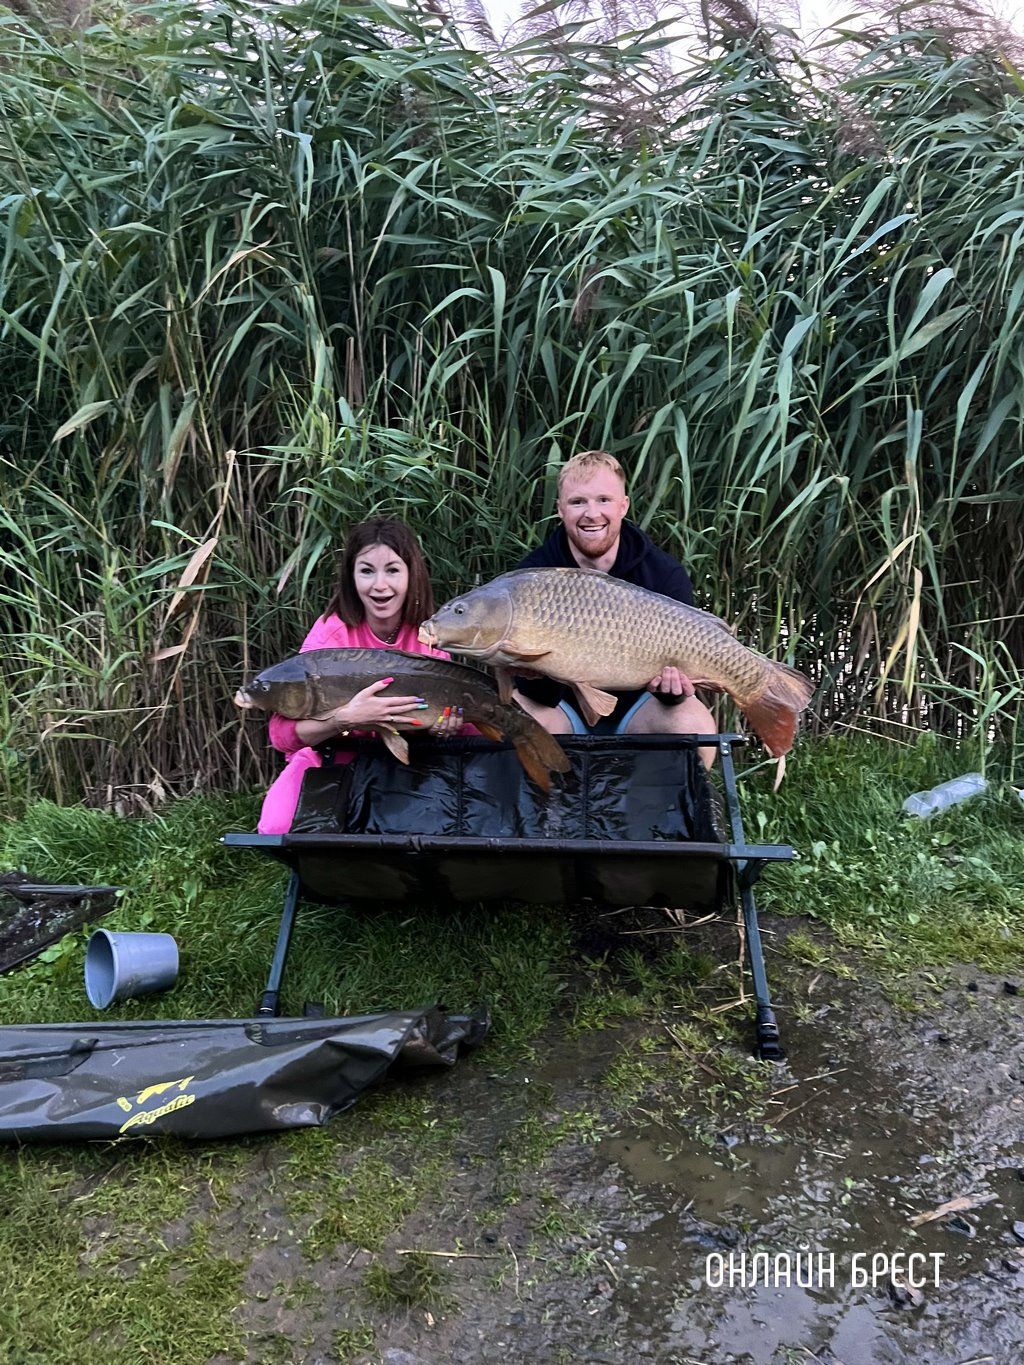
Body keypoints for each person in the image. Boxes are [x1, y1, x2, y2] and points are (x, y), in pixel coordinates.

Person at [257, 517, 463, 834]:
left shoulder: (429, 636)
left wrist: (442, 729)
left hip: (410, 758)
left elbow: (444, 720)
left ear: (411, 574)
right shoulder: (329, 637)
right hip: (333, 756)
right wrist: (343, 719)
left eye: (392, 570)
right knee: (276, 827)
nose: (380, 585)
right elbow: (281, 736)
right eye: (367, 571)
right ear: (351, 577)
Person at [512, 450, 718, 765]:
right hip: (562, 709)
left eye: (604, 500)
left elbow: (677, 690)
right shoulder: (534, 576)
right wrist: (535, 672)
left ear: (623, 506)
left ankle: (663, 811)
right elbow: (534, 694)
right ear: (560, 510)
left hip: (639, 710)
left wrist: (672, 690)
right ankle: (546, 811)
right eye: (577, 502)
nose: (591, 513)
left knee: (691, 724)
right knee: (516, 724)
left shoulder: (663, 574)